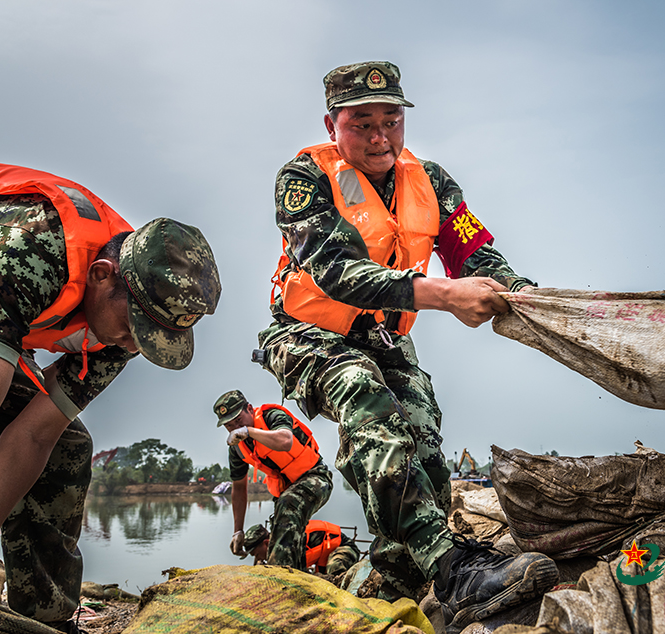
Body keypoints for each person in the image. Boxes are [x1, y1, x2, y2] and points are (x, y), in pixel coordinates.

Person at [256, 61, 559, 629]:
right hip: (307, 334)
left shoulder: (433, 182)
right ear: (332, 126)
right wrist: (444, 295)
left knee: (426, 454)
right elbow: (336, 271)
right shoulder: (303, 181)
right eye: (361, 122)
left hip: (386, 338)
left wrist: (521, 292)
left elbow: (473, 251)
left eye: (391, 121)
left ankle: (383, 586)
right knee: (365, 399)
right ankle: (455, 572)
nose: (379, 136)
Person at [0, 162, 221, 634]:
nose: (136, 346)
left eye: (154, 338)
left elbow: (31, 437)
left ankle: (45, 618)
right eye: (137, 329)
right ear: (101, 275)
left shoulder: (127, 331)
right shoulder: (32, 245)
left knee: (65, 451)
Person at [214, 389, 332, 569]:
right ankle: (298, 576)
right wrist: (238, 530)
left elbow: (285, 441)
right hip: (288, 490)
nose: (235, 428)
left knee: (288, 504)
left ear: (250, 409)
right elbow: (239, 488)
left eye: (238, 421)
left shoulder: (272, 416)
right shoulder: (237, 448)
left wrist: (249, 431)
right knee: (284, 529)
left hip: (316, 477)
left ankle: (278, 579)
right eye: (229, 426)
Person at [242, 520, 361, 577]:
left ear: (266, 543)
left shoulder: (289, 544)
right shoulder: (277, 546)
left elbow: (299, 574)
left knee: (334, 568)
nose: (259, 558)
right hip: (324, 559)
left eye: (257, 554)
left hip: (345, 549)